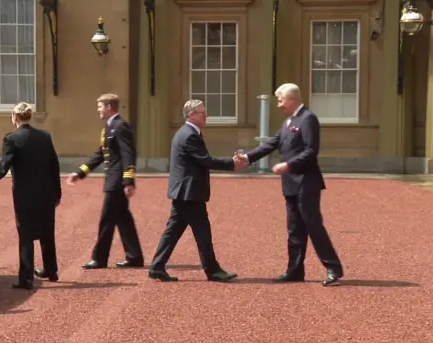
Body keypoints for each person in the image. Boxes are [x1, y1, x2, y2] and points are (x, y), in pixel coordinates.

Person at [235, 83, 344, 286]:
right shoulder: (288, 121)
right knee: (294, 228)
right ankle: (294, 270)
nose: (278, 104)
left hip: (306, 182)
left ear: (292, 98)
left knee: (313, 226)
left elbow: (311, 150)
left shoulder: (308, 119)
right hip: (290, 184)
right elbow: (272, 143)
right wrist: (247, 157)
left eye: (281, 100)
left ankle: (333, 268)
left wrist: (288, 164)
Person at [0, 102, 61, 290]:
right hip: (46, 192)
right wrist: (57, 194)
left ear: (15, 117)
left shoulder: (12, 139)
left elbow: (2, 169)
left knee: (25, 234)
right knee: (47, 231)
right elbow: (54, 167)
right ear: (29, 116)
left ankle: (26, 278)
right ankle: (51, 270)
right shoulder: (45, 136)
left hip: (24, 194)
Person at [148, 99, 244, 282]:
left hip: (184, 192)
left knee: (173, 231)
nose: (205, 115)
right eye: (202, 113)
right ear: (191, 115)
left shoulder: (187, 133)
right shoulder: (189, 135)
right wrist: (231, 163)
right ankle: (212, 270)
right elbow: (205, 160)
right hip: (189, 192)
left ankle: (157, 266)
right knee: (202, 232)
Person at [66, 93, 144, 269]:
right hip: (113, 180)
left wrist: (128, 181)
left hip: (117, 181)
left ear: (109, 107)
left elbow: (128, 154)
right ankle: (135, 257)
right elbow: (101, 154)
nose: (98, 110)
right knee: (123, 219)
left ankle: (99, 258)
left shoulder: (121, 126)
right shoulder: (109, 127)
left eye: (100, 106)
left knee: (107, 219)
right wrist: (80, 173)